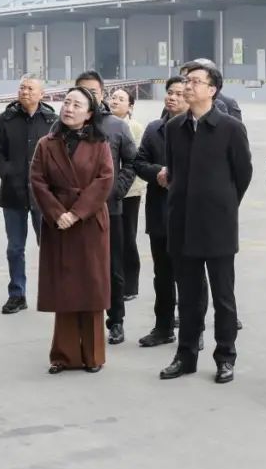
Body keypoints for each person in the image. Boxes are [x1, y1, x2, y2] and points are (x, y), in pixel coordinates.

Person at [158, 62, 253, 384]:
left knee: (223, 296)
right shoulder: (175, 128)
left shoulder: (230, 128)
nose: (188, 86)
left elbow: (243, 174)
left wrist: (223, 204)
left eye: (196, 82)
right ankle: (185, 356)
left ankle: (225, 356)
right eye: (187, 81)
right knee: (187, 296)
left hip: (217, 225)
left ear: (212, 90)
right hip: (182, 223)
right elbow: (173, 172)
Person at [29, 86, 114, 374]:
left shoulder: (100, 143)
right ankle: (63, 356)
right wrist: (57, 214)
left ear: (89, 114)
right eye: (67, 102)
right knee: (64, 290)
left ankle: (93, 356)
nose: (69, 108)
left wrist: (77, 213)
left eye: (77, 105)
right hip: (59, 223)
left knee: (91, 289)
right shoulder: (46, 143)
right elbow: (37, 181)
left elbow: (104, 180)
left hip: (89, 222)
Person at [74, 72, 137, 346]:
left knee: (112, 269)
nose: (88, 96)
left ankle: (116, 321)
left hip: (109, 210)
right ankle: (82, 322)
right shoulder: (65, 126)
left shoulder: (117, 126)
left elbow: (132, 162)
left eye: (93, 91)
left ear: (102, 94)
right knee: (79, 269)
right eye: (82, 91)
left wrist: (116, 190)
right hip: (75, 212)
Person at [0, 74, 57, 314]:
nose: (24, 92)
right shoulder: (5, 119)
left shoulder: (52, 121)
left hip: (43, 196)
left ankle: (53, 292)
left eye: (30, 89)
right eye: (22, 88)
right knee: (15, 248)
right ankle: (17, 294)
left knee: (48, 246)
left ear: (41, 94)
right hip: (13, 194)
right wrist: (8, 172)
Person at [133, 77, 188, 348]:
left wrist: (177, 176)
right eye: (169, 92)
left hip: (189, 216)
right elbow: (139, 162)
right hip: (159, 213)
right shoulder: (154, 129)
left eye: (179, 93)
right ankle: (163, 327)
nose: (172, 97)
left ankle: (193, 330)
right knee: (162, 275)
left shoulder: (197, 129)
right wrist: (158, 173)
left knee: (189, 278)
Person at [107, 88, 144, 301]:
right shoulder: (105, 125)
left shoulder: (134, 127)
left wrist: (120, 188)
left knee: (128, 238)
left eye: (121, 99)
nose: (115, 101)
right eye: (113, 98)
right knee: (113, 240)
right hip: (109, 193)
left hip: (129, 192)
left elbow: (134, 160)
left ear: (130, 106)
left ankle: (130, 286)